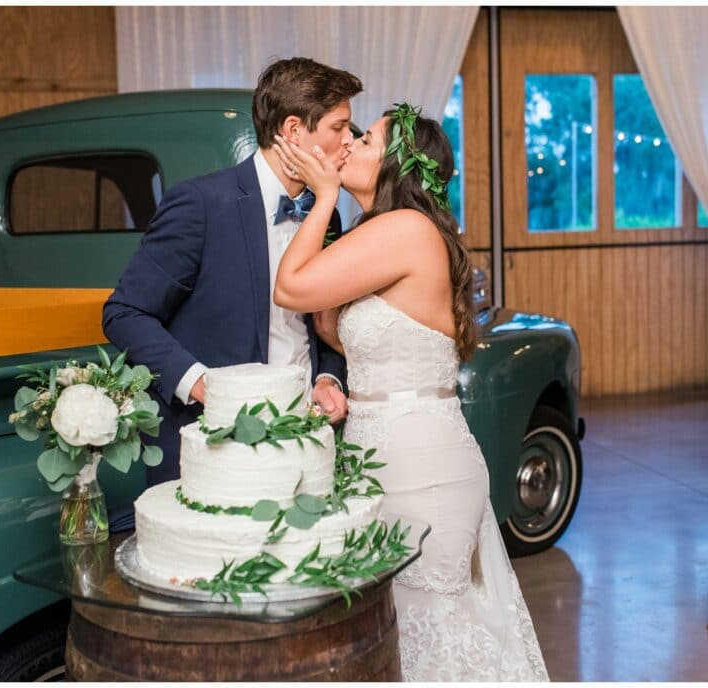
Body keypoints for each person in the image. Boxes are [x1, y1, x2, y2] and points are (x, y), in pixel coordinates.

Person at [271, 103, 549, 681]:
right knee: (393, 642)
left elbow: (291, 287)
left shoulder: (408, 230)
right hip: (375, 458)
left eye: (365, 139)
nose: (347, 145)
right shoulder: (383, 234)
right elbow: (331, 329)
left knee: (428, 643)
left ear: (397, 166)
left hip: (424, 468)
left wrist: (322, 197)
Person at [102, 58, 360, 501]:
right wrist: (203, 385)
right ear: (294, 130)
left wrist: (328, 379)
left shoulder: (327, 212)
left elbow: (322, 322)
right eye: (339, 128)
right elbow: (125, 313)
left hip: (305, 443)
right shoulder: (202, 204)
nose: (349, 142)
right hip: (214, 448)